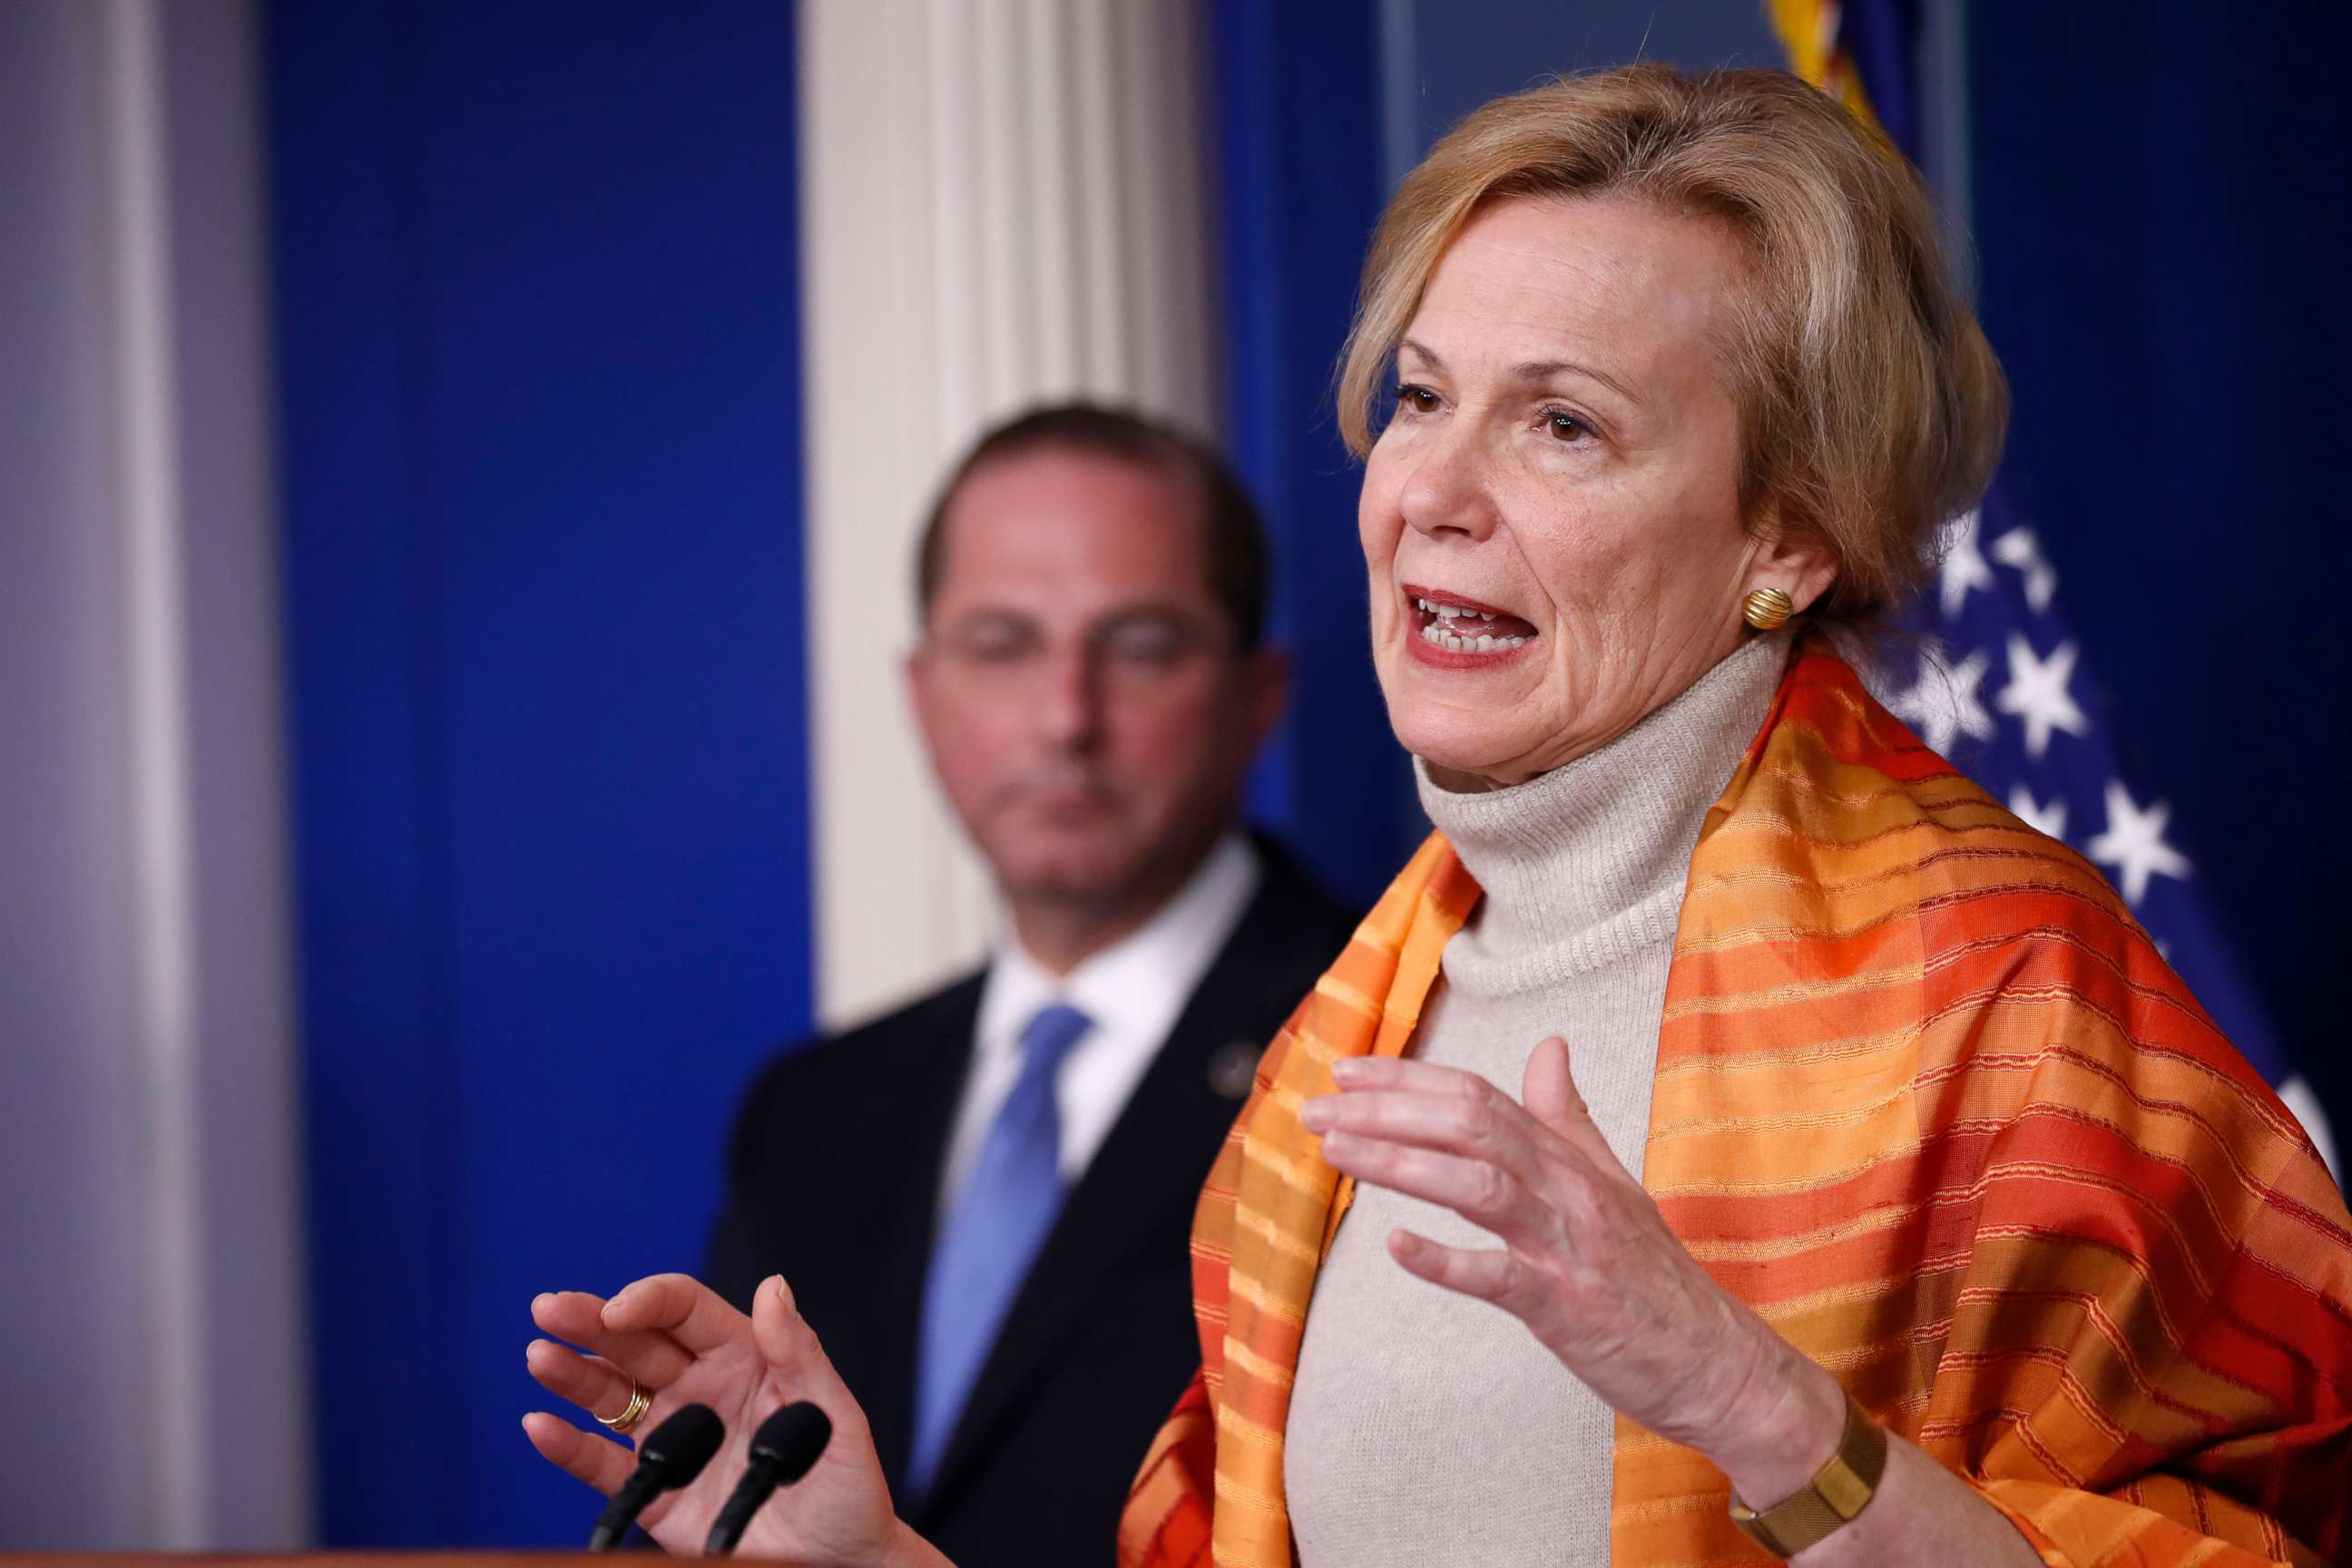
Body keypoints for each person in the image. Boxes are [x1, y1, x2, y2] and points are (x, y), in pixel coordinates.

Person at [522, 66, 2352, 1567]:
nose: (1433, 497)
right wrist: (872, 1562)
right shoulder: (1355, 1025)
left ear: (1789, 534)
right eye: (1420, 399)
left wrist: (1745, 1398)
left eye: (1563, 426)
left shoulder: (2016, 992)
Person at [530, 404, 1357, 1567]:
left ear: (1257, 696)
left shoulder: (1382, 1049)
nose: (1066, 718)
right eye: (1002, 644)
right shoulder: (813, 1110)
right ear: (922, 693)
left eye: (1141, 646)